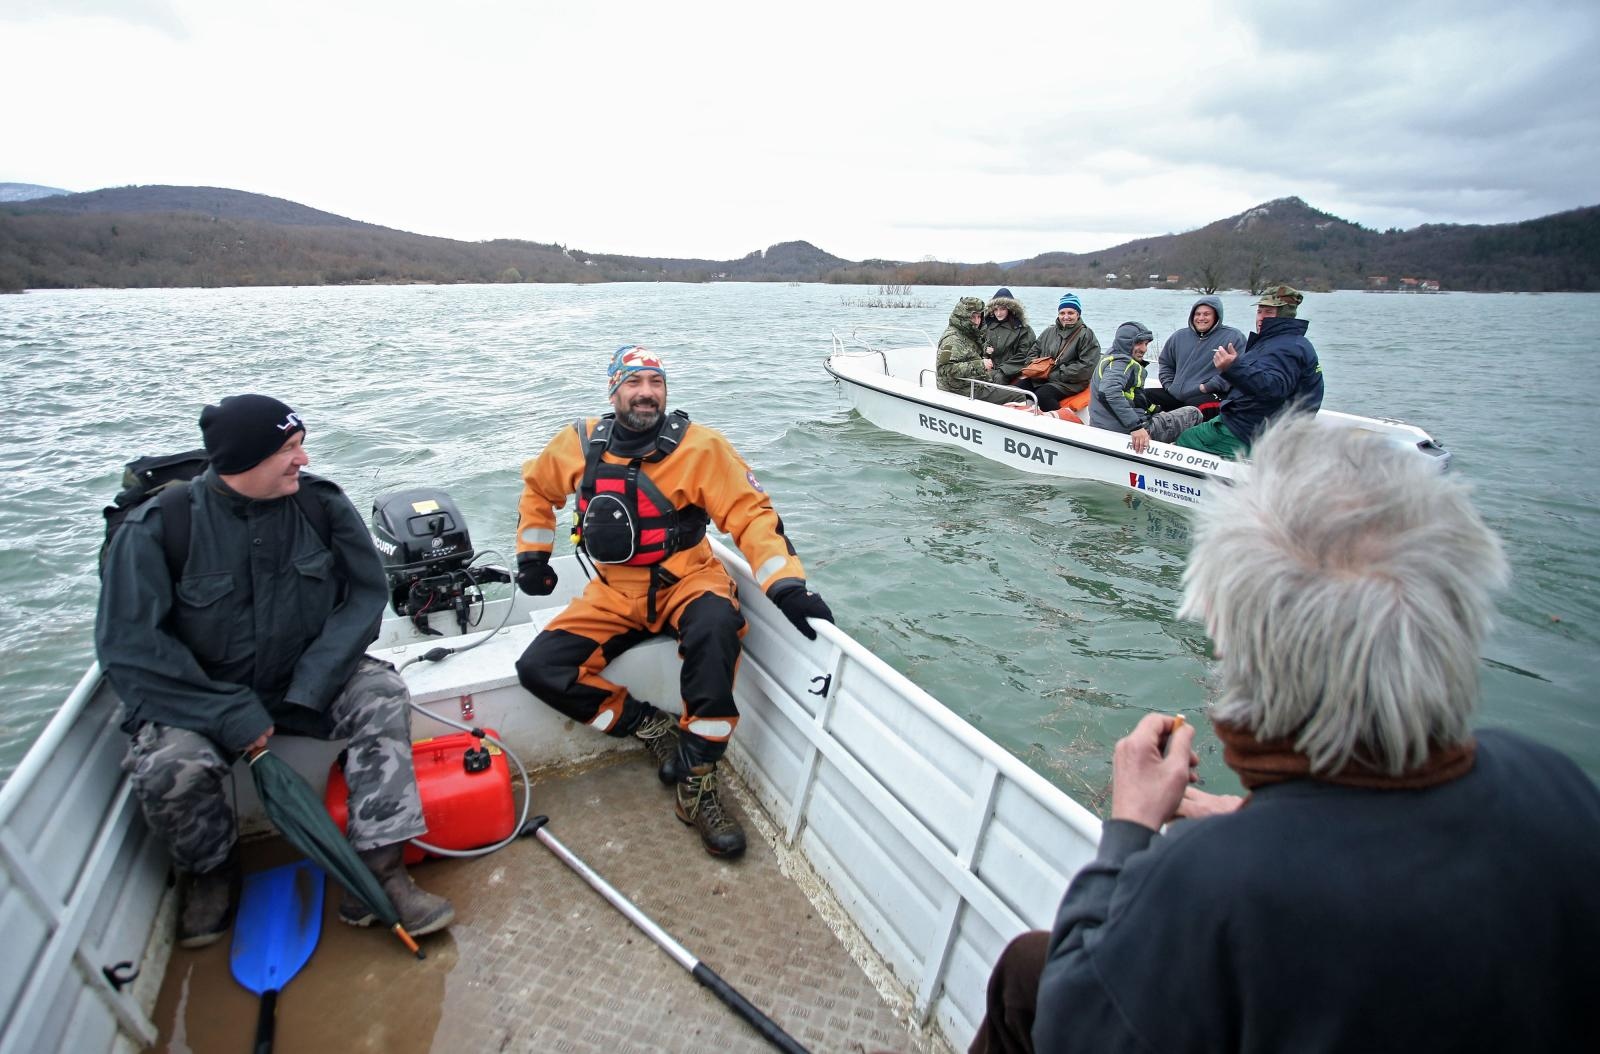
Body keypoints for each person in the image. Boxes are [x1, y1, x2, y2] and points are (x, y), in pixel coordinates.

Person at [970, 414, 1600, 1054]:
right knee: (1029, 967)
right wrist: (1252, 817)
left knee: (1033, 980)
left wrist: (1129, 827)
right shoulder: (1555, 785)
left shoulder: (1214, 885)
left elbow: (1073, 1028)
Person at [96, 395, 453, 949]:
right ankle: (212, 874)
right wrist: (224, 711)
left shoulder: (320, 506)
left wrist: (312, 684)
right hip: (200, 698)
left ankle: (381, 872)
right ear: (244, 461)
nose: (303, 459)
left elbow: (364, 598)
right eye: (288, 449)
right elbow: (131, 648)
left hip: (303, 681)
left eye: (300, 445)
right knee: (171, 765)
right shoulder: (157, 530)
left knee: (381, 692)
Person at [512, 345, 834, 857]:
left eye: (655, 383)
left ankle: (698, 780)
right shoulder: (577, 442)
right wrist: (532, 556)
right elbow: (537, 491)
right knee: (539, 668)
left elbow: (751, 516)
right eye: (634, 382)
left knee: (715, 629)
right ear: (613, 390)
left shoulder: (701, 447)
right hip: (614, 593)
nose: (646, 393)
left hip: (689, 578)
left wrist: (787, 587)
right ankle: (646, 724)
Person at [1174, 284, 1322, 457]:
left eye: (1268, 312)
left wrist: (1233, 367)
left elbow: (1273, 388)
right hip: (1249, 420)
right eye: (1259, 311)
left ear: (1284, 315)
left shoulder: (1285, 348)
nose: (1260, 318)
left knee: (1186, 439)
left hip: (1254, 431)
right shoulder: (1280, 342)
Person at [1087, 321, 1203, 453]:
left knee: (1164, 409)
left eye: (1146, 344)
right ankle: (1181, 456)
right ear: (1126, 342)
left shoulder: (1110, 357)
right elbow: (1109, 392)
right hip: (1125, 430)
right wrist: (1135, 428)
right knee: (1193, 413)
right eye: (1139, 343)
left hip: (1104, 425)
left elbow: (1133, 397)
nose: (1144, 349)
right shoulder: (1122, 364)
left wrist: (1157, 411)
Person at [1155, 294, 1246, 415]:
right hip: (1175, 393)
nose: (1201, 318)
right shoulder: (1179, 337)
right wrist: (1169, 385)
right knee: (1142, 397)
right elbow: (1166, 363)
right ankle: (1139, 431)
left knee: (1189, 411)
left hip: (1207, 394)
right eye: (1197, 314)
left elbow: (1238, 369)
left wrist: (1207, 387)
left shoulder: (1233, 337)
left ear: (1216, 316)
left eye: (1206, 314)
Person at [1020, 293, 1100, 414]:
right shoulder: (1049, 331)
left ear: (1078, 314)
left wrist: (1055, 374)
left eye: (1070, 313)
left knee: (1043, 395)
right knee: (1018, 389)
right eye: (1062, 313)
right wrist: (1036, 369)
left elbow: (1086, 367)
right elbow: (1033, 352)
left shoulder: (1086, 335)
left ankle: (1063, 424)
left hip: (1070, 382)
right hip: (1042, 377)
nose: (1066, 317)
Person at [937, 295, 1015, 404]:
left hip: (969, 382)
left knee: (1003, 378)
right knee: (1018, 395)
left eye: (979, 317)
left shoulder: (967, 334)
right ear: (963, 317)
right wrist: (980, 365)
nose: (977, 321)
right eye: (973, 317)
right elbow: (944, 370)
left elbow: (968, 354)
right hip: (960, 389)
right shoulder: (951, 339)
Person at [979, 288, 1038, 386]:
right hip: (989, 367)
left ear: (1010, 309)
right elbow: (978, 346)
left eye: (1002, 309)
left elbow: (1024, 355)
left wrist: (1002, 370)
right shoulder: (987, 326)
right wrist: (985, 353)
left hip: (1011, 370)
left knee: (998, 378)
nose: (998, 313)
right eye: (995, 309)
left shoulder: (1023, 329)